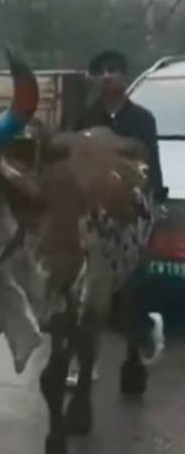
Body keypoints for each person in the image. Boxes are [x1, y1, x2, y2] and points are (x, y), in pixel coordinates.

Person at [69, 49, 166, 383]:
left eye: (113, 70)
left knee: (130, 292)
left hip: (132, 215)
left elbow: (151, 166)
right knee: (87, 289)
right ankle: (83, 366)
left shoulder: (142, 120)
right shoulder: (85, 119)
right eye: (101, 71)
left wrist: (154, 201)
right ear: (95, 78)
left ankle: (140, 345)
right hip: (94, 217)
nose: (107, 76)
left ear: (125, 75)